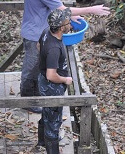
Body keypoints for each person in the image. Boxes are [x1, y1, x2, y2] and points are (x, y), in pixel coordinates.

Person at [20, 0, 110, 113]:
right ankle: (27, 99)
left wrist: (72, 16)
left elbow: (50, 8)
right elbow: (62, 9)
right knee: (31, 68)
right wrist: (92, 10)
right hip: (33, 34)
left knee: (37, 66)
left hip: (38, 30)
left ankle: (35, 95)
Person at [37, 8, 73, 153]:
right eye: (68, 22)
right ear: (61, 27)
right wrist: (65, 79)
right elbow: (51, 75)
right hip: (52, 85)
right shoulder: (54, 49)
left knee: (47, 112)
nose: (70, 24)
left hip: (43, 81)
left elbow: (38, 46)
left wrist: (45, 60)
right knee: (53, 122)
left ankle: (41, 141)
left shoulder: (46, 31)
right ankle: (51, 148)